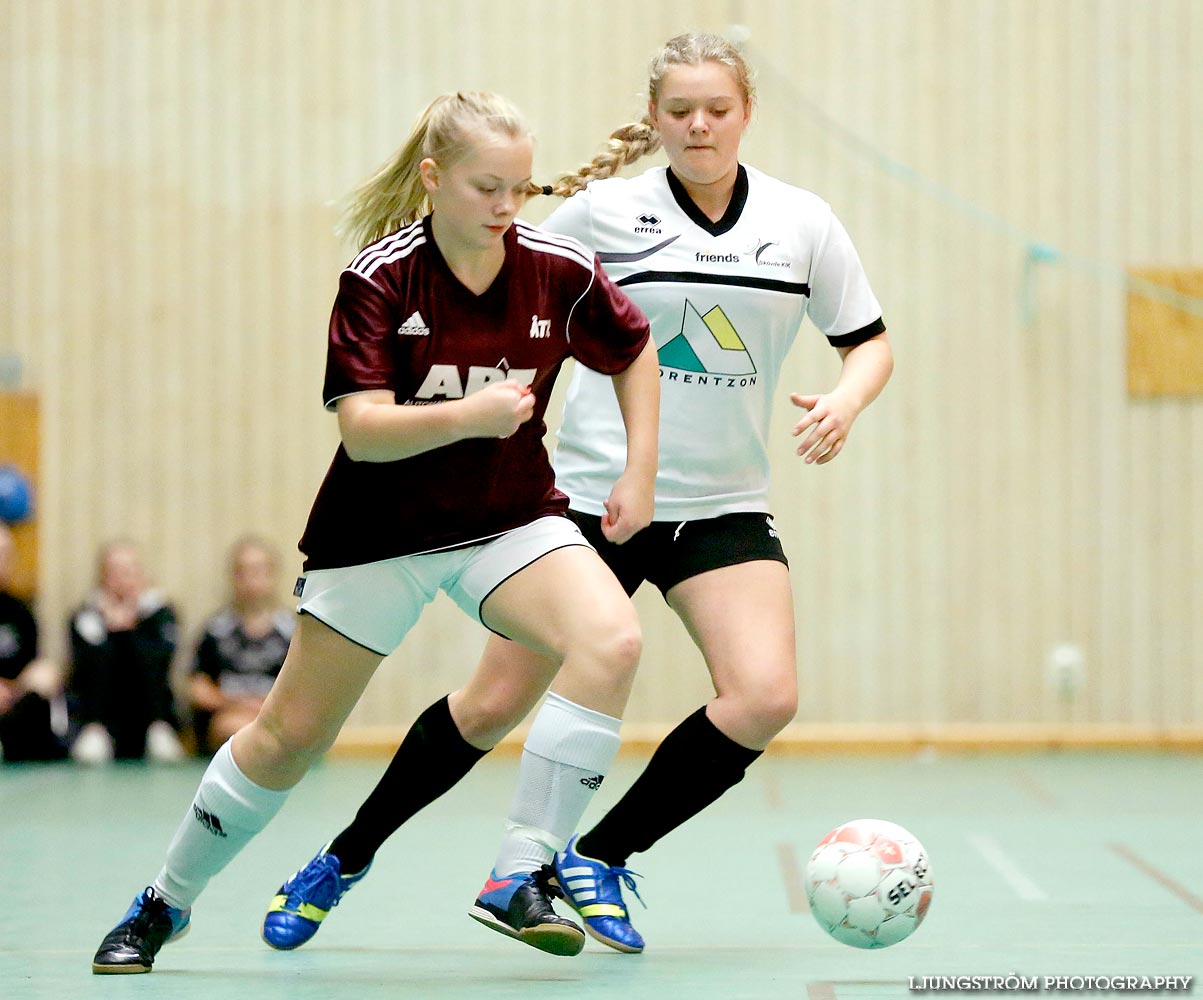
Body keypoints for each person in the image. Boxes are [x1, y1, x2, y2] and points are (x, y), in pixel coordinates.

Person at [267, 32, 894, 956]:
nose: (698, 125)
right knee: (488, 707)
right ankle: (343, 856)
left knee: (763, 695)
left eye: (717, 108)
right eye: (679, 109)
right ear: (653, 119)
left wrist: (844, 398)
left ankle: (593, 858)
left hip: (720, 505)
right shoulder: (600, 213)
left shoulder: (802, 222)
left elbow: (867, 340)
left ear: (746, 113)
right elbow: (481, 271)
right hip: (587, 503)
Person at [90, 89, 659, 975]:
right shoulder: (381, 276)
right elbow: (361, 427)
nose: (507, 210)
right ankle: (164, 901)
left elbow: (633, 350)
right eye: (485, 190)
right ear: (433, 179)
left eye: (518, 189)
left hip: (508, 520)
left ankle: (520, 872)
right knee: (287, 741)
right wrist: (471, 416)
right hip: (378, 533)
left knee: (612, 640)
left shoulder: (556, 268)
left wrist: (638, 472)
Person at [67, 540, 185, 764]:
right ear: (103, 576)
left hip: (148, 711)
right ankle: (95, 730)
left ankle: (159, 729)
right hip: (103, 712)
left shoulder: (161, 612)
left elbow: (161, 660)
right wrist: (113, 630)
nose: (123, 579)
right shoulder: (86, 613)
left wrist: (130, 629)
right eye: (115, 572)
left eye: (129, 571)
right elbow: (87, 662)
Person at [189, 537, 293, 756]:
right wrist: (236, 704)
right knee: (234, 728)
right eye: (243, 571)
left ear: (273, 574)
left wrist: (264, 708)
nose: (251, 579)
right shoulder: (216, 630)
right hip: (228, 719)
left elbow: (307, 690)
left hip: (276, 720)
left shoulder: (292, 631)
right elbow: (197, 688)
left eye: (258, 570)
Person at [0, 522, 68, 762]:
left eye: (6, 555)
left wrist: (14, 687)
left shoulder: (20, 611)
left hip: (12, 699)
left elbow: (30, 663)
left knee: (45, 678)